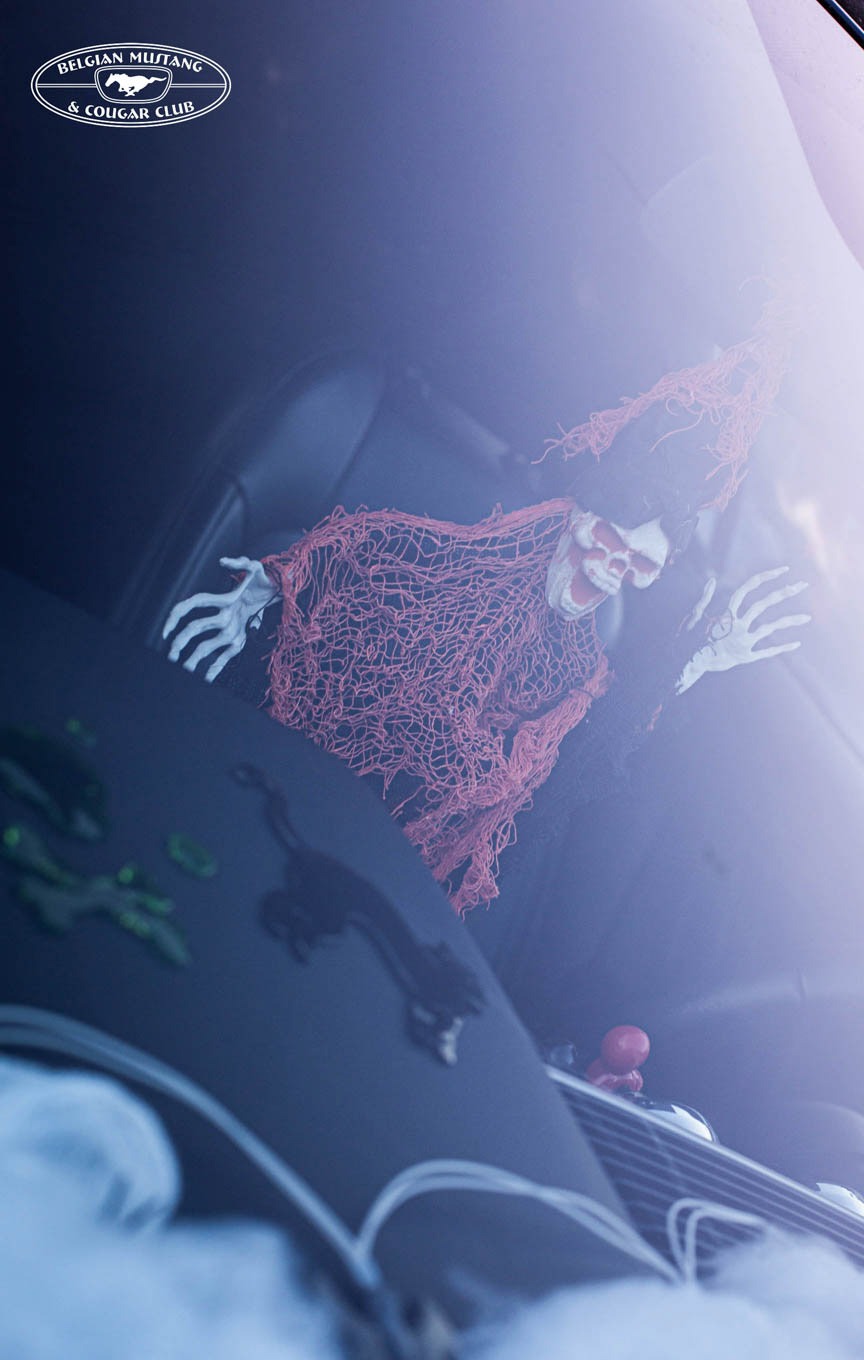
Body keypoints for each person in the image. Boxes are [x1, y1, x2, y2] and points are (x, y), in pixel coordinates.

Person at [163, 308, 808, 913]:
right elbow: (363, 553)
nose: (611, 569)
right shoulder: (437, 555)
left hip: (359, 889)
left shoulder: (578, 675)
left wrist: (693, 662)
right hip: (247, 800)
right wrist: (266, 588)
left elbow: (573, 771)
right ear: (577, 513)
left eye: (638, 564)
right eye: (609, 540)